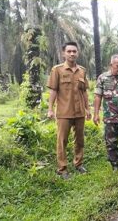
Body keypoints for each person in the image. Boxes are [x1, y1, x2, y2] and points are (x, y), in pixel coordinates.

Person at [46, 41, 90, 179]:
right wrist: (50, 109)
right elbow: (53, 91)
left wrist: (88, 109)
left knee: (80, 140)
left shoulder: (82, 70)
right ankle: (62, 169)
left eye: (74, 51)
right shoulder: (57, 70)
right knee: (62, 140)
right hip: (64, 112)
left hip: (80, 113)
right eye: (69, 51)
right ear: (63, 53)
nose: (72, 53)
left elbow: (84, 92)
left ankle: (78, 163)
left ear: (78, 53)